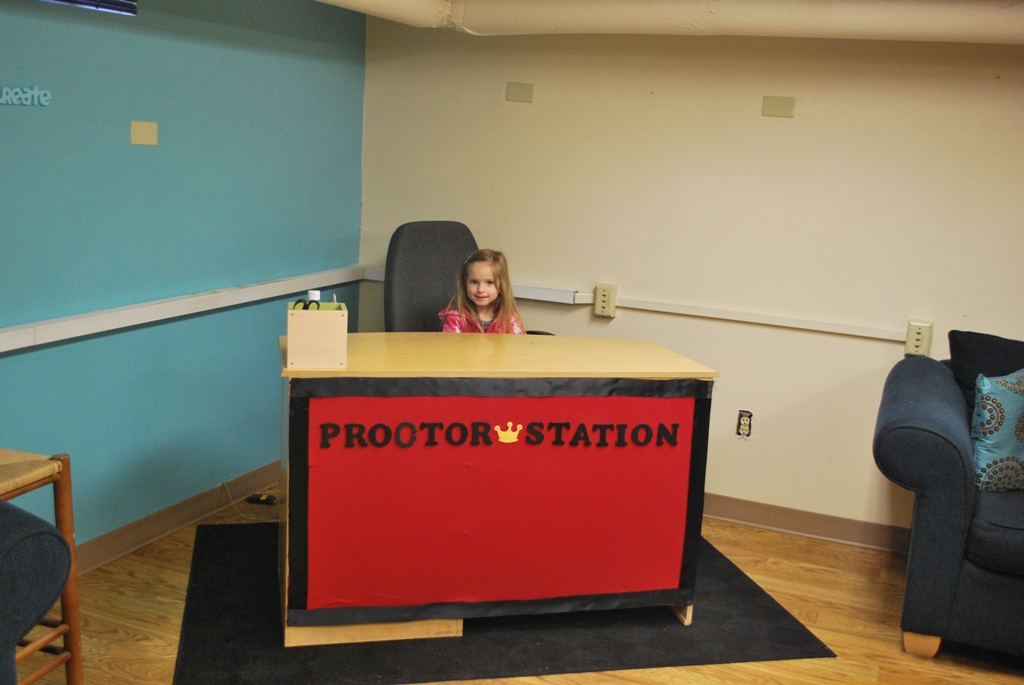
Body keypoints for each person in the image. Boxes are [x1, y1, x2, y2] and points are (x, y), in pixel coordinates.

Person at [440, 249, 526, 334]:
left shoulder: (510, 319)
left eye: (489, 282)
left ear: (501, 285)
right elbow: (451, 343)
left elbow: (520, 343)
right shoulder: (455, 318)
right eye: (474, 282)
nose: (481, 290)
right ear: (465, 283)